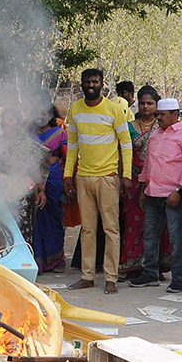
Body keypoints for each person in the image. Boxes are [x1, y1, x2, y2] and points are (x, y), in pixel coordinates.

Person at [64, 68, 132, 294]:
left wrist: (126, 176)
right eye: (87, 82)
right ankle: (87, 276)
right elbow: (73, 145)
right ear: (81, 84)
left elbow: (126, 144)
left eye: (94, 81)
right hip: (83, 177)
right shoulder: (75, 109)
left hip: (108, 178)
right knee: (88, 230)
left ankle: (111, 278)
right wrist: (68, 175)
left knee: (111, 228)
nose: (90, 85)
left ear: (102, 85)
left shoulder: (114, 109)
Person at [132, 97, 182, 291]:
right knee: (150, 235)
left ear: (175, 114)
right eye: (158, 114)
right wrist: (143, 188)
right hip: (152, 193)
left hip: (173, 195)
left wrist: (179, 190)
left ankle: (179, 279)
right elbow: (147, 165)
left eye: (162, 115)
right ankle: (150, 273)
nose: (158, 118)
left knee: (176, 238)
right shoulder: (155, 135)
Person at [0, 107, 49, 247]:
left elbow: (37, 168)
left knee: (21, 231)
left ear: (18, 123)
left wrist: (42, 190)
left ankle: (23, 263)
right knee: (0, 229)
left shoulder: (28, 146)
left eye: (10, 120)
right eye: (3, 121)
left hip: (22, 194)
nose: (5, 123)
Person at [119, 86, 167, 280]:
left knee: (156, 226)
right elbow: (122, 153)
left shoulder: (163, 127)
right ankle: (131, 266)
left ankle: (154, 267)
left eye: (150, 103)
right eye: (143, 103)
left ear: (156, 105)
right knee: (133, 223)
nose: (146, 107)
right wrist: (124, 177)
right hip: (133, 182)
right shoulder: (129, 126)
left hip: (156, 181)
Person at [32, 106, 68, 272]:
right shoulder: (28, 134)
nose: (40, 116)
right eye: (37, 112)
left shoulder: (59, 133)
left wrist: (69, 180)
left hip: (53, 179)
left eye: (43, 113)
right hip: (32, 177)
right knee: (35, 218)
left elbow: (66, 157)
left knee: (53, 217)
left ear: (51, 115)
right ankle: (38, 260)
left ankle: (56, 259)